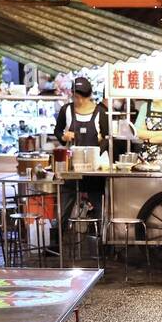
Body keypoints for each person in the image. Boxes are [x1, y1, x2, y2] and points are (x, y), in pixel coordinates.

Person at [53, 76, 110, 230]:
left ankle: (100, 239)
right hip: (72, 169)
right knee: (63, 207)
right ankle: (57, 240)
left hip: (94, 171)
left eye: (82, 98)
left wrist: (101, 143)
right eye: (76, 97)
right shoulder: (67, 110)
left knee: (98, 205)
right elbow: (57, 131)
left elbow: (108, 138)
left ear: (89, 96)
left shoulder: (101, 112)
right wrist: (64, 136)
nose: (79, 101)